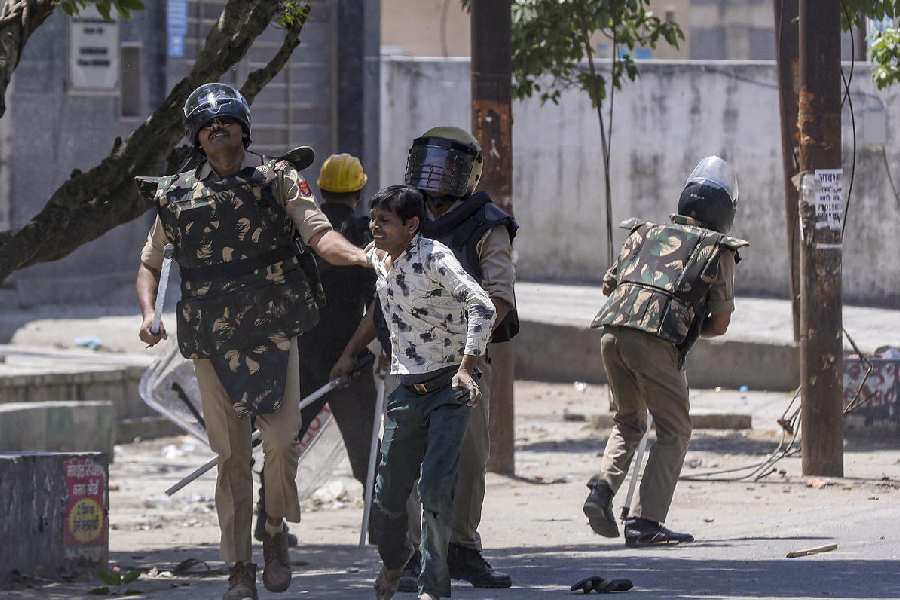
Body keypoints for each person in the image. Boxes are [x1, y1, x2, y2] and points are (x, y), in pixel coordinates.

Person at [135, 83, 370, 600]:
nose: (217, 128)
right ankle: (239, 566)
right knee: (231, 457)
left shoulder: (278, 179)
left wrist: (360, 256)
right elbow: (151, 263)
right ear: (197, 137)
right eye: (206, 123)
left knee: (284, 441)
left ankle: (274, 529)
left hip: (273, 333)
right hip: (211, 342)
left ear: (244, 127)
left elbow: (318, 233)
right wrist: (150, 315)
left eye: (227, 119)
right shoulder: (177, 196)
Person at [331, 185, 496, 600]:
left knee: (436, 489)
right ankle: (395, 559)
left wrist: (467, 366)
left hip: (449, 388)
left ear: (412, 225)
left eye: (384, 221)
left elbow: (483, 306)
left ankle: (434, 588)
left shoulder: (436, 258)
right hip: (406, 391)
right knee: (386, 496)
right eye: (373, 219)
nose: (374, 227)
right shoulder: (380, 258)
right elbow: (337, 251)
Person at [582, 156, 748, 547]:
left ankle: (602, 489)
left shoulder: (645, 233)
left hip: (611, 332)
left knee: (628, 421)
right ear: (725, 211)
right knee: (675, 429)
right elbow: (720, 325)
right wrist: (688, 329)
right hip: (654, 343)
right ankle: (644, 522)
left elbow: (611, 286)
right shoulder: (719, 250)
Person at [397, 126, 518, 590]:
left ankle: (463, 549)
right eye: (430, 162)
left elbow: (499, 294)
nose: (436, 176)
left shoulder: (488, 223)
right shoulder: (404, 216)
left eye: (448, 167)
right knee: (408, 456)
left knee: (467, 458)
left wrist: (470, 347)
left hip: (460, 360)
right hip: (408, 358)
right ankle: (415, 554)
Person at [253, 153, 379, 546]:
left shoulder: (300, 226)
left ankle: (266, 516)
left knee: (284, 439)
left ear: (321, 190)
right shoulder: (364, 234)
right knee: (366, 448)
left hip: (300, 351)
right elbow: (378, 301)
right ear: (359, 191)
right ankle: (381, 524)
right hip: (348, 353)